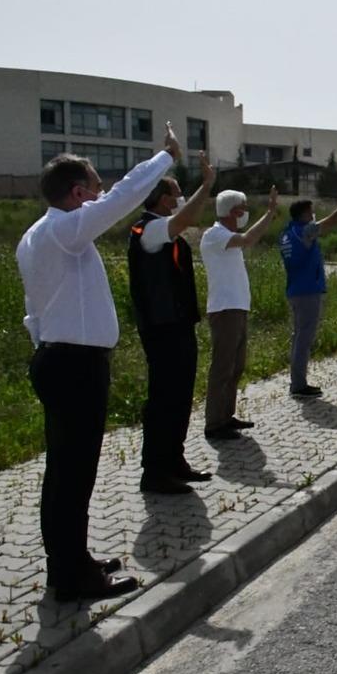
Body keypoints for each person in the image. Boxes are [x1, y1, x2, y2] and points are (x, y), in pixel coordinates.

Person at [17, 122, 182, 602]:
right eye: (93, 188)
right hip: (74, 365)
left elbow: (35, 308)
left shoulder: (39, 235)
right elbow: (124, 197)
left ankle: (72, 560)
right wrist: (165, 157)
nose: (101, 194)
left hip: (57, 357)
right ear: (76, 193)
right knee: (73, 474)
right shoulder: (66, 228)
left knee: (68, 472)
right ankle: (70, 578)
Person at [128, 151, 216, 495]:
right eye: (176, 193)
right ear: (163, 199)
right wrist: (207, 186)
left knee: (180, 396)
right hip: (161, 327)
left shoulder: (163, 231)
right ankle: (154, 470)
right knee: (163, 398)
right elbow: (182, 222)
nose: (180, 199)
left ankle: (174, 459)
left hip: (178, 324)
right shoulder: (147, 229)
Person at [201, 185, 279, 440]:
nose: (244, 215)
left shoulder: (225, 237)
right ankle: (214, 423)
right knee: (222, 367)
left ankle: (226, 415)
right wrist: (269, 213)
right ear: (233, 212)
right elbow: (247, 239)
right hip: (224, 309)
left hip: (237, 307)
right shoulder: (214, 235)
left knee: (236, 366)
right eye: (242, 210)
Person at [279, 180, 337, 398]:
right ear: (304, 214)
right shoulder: (304, 232)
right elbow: (332, 221)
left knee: (298, 337)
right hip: (307, 291)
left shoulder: (286, 233)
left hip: (295, 289)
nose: (313, 215)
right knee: (304, 339)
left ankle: (296, 380)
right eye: (311, 212)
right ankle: (298, 385)